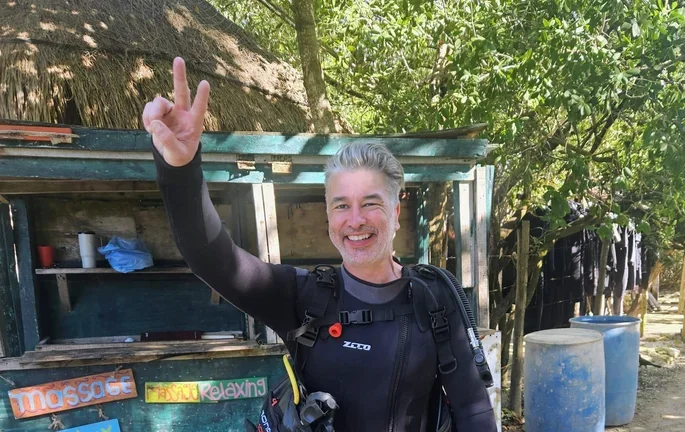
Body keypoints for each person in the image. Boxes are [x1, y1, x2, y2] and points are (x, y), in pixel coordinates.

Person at [143, 57, 496, 431]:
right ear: (329, 216)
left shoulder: (436, 300)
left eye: (370, 203)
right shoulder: (303, 299)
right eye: (341, 205)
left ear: (396, 211)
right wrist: (180, 171)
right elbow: (210, 256)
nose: (355, 220)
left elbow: (473, 408)